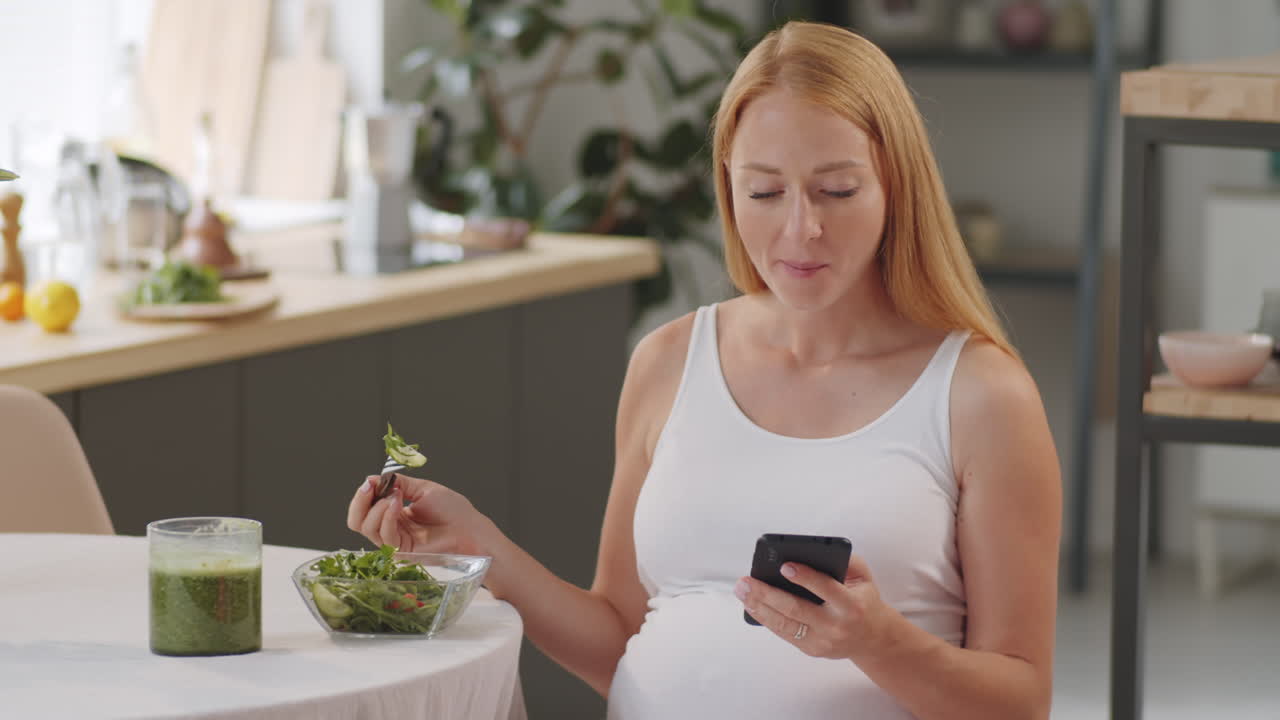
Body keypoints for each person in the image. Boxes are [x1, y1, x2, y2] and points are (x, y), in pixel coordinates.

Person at [347, 20, 1061, 720]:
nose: (800, 228)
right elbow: (619, 639)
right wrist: (482, 550)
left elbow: (1022, 700)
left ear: (895, 186)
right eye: (764, 192)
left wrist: (881, 644)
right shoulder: (667, 362)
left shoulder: (980, 395)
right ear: (728, 188)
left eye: (837, 190)